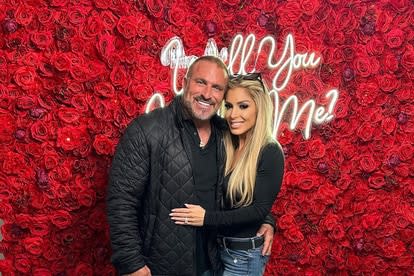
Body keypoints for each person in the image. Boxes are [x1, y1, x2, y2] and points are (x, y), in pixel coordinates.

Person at [107, 56, 275, 276]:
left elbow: (246, 185)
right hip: (162, 265)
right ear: (185, 82)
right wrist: (131, 263)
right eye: (201, 82)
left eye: (216, 87)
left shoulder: (228, 134)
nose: (207, 94)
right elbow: (122, 200)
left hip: (216, 262)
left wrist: (267, 219)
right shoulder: (147, 130)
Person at [170, 73, 284, 276]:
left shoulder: (269, 151)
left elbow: (258, 209)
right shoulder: (226, 142)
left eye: (243, 106)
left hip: (245, 258)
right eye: (229, 106)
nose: (233, 114)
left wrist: (206, 218)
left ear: (260, 107)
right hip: (217, 251)